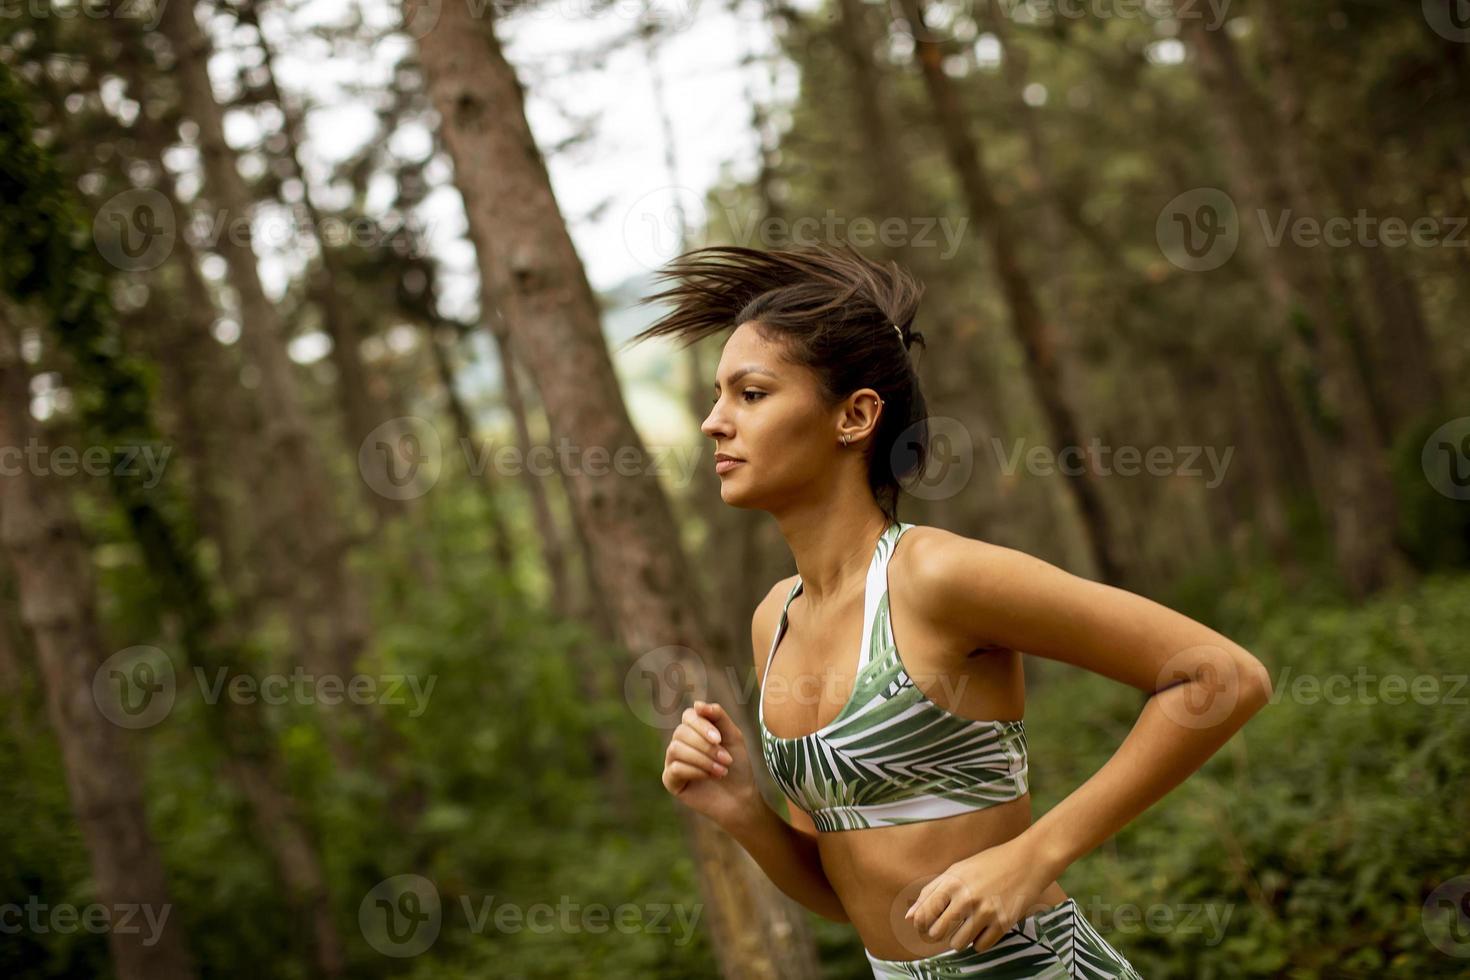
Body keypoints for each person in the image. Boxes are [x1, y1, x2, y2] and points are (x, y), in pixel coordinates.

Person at [636, 242, 1272, 978]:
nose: (714, 421)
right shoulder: (774, 619)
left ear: (856, 415)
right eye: (718, 396)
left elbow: (1221, 676)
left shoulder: (934, 577)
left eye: (750, 394)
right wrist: (742, 811)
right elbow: (846, 896)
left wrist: (1032, 856)